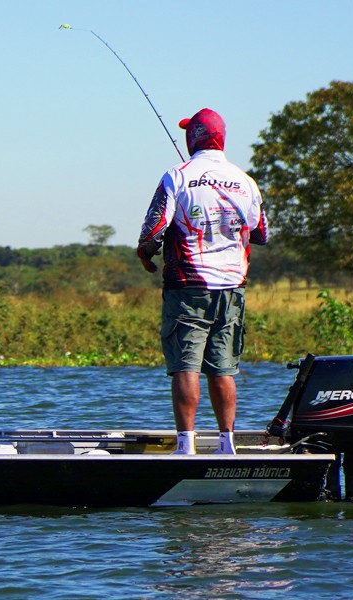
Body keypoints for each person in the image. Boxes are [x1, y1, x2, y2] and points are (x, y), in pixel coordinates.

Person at [134, 108, 269, 455]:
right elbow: (261, 233)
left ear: (192, 138)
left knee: (186, 365)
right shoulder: (246, 181)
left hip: (187, 285)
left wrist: (146, 253)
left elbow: (154, 231)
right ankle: (227, 444)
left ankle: (186, 446)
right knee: (223, 368)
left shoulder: (176, 176)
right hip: (232, 288)